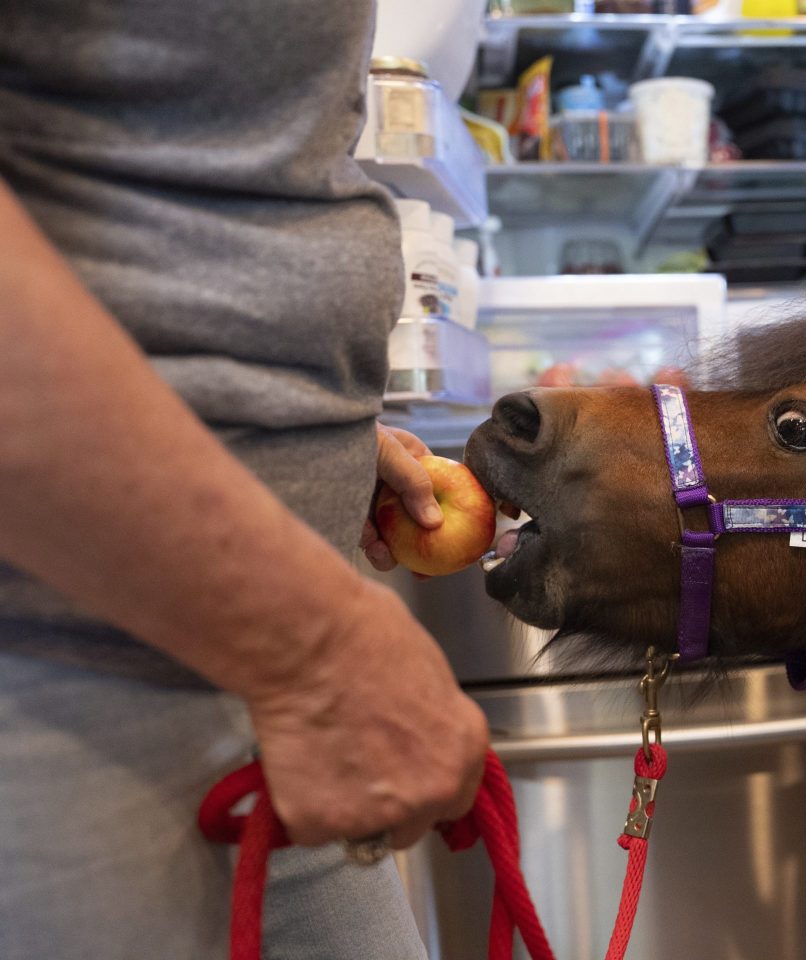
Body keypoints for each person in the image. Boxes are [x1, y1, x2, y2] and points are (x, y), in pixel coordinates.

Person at [0, 0, 489, 956]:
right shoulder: (302, 656)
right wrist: (310, 648)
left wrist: (305, 436)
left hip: (256, 686)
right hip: (62, 681)